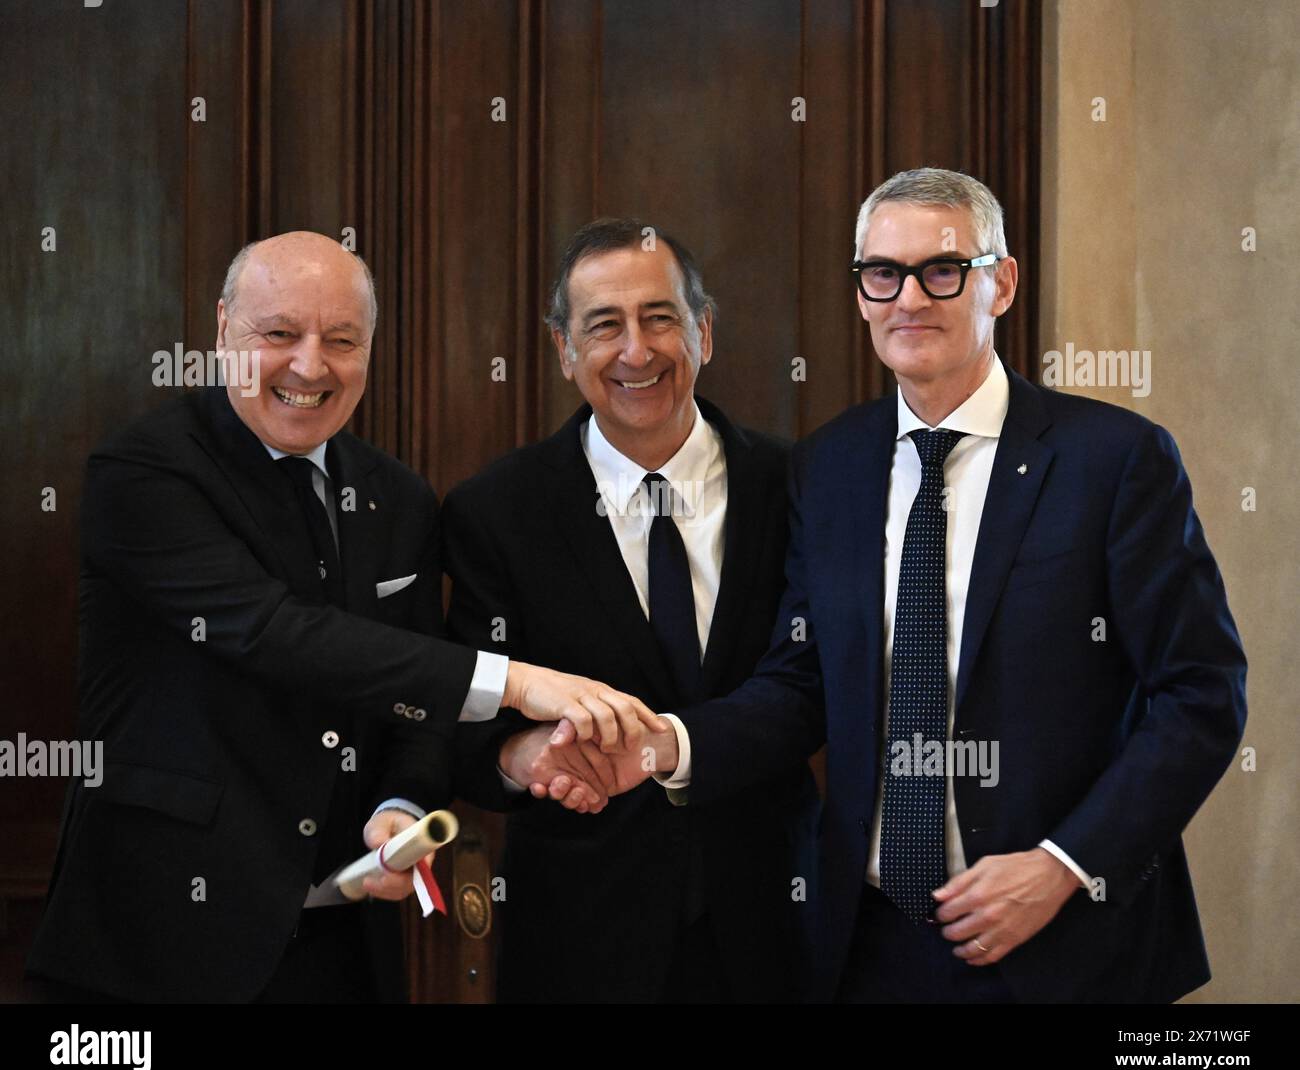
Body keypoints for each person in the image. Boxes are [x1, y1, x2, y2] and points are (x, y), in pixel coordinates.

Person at [543, 169, 1248, 1004]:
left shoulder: (1115, 460)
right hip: (870, 947)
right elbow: (802, 682)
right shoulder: (831, 466)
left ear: (1002, 283)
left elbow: (1201, 694)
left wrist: (1066, 865)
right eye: (883, 273)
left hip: (1069, 943)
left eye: (942, 270)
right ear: (862, 294)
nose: (910, 298)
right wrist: (667, 745)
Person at [26, 231, 664, 1003]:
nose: (309, 366)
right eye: (279, 334)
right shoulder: (146, 470)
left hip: (343, 950)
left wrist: (401, 804)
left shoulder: (396, 497)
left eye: (341, 340)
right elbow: (275, 633)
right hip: (154, 951)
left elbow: (417, 706)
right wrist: (519, 682)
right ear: (223, 328)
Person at [445, 218, 819, 1002]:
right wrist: (526, 757)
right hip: (579, 944)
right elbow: (466, 727)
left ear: (704, 331)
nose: (636, 352)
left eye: (660, 319)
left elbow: (816, 687)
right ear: (563, 350)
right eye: (604, 326)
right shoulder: (496, 511)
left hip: (775, 929)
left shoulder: (796, 487)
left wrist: (664, 747)